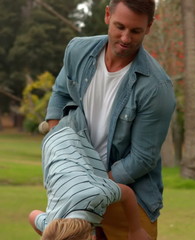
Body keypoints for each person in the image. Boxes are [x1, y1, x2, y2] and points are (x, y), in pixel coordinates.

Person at [44, 0, 176, 239]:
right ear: (107, 15)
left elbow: (142, 158)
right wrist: (59, 146)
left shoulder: (157, 88)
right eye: (120, 27)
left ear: (149, 27)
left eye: (135, 31)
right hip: (77, 191)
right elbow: (61, 94)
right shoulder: (77, 51)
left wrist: (94, 186)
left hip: (129, 198)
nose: (126, 38)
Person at [28, 108, 150, 240]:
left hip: (72, 131)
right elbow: (32, 215)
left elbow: (127, 193)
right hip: (50, 147)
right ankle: (51, 127)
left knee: (80, 106)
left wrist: (136, 229)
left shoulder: (96, 194)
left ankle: (58, 120)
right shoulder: (51, 225)